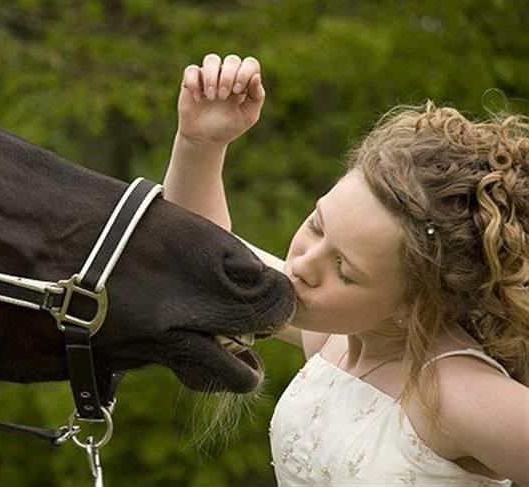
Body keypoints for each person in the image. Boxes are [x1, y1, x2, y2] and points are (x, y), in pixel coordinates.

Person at [163, 53, 528, 485]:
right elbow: (203, 257)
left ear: (415, 301)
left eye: (344, 270)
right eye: (317, 227)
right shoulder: (335, 338)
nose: (302, 264)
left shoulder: (458, 395)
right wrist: (201, 145)